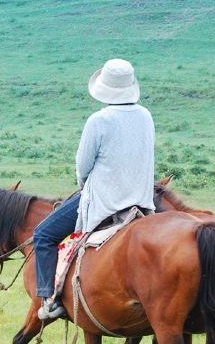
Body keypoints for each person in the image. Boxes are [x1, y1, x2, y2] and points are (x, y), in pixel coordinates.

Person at [34, 58, 155, 320]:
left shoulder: (98, 120)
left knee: (43, 234)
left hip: (105, 202)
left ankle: (49, 299)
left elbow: (83, 167)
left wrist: (84, 188)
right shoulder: (146, 116)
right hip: (142, 201)